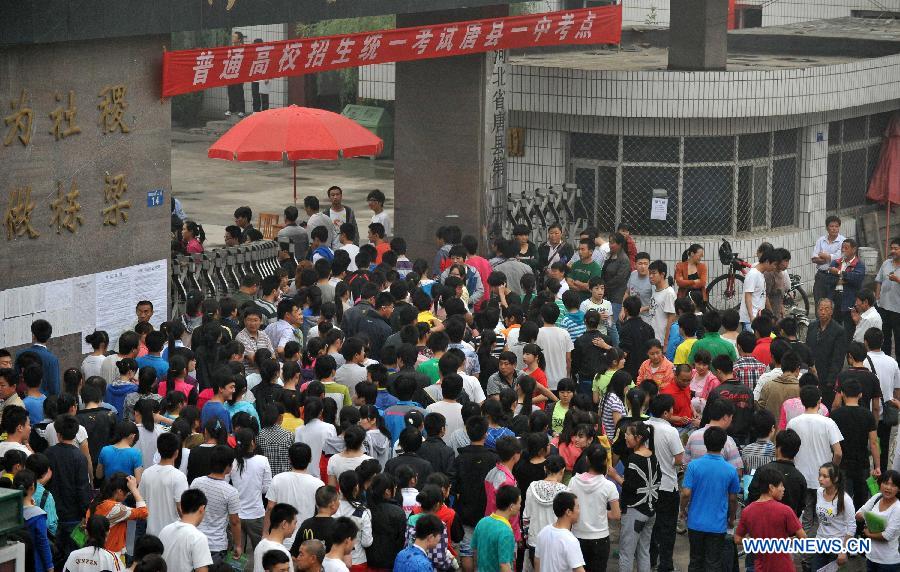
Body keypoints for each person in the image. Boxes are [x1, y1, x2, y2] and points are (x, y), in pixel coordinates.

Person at [680, 426, 740, 571]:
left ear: (706, 443)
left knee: (695, 560)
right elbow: (733, 499)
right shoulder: (730, 470)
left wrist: (683, 510)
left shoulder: (693, 466)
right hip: (717, 525)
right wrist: (732, 518)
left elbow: (686, 493)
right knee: (713, 563)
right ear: (723, 443)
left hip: (695, 523)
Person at [786, 385, 844, 537]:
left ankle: (806, 554)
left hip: (800, 477)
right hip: (824, 479)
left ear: (802, 401)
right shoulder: (828, 423)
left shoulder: (793, 423)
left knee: (805, 516)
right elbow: (838, 452)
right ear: (819, 401)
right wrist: (832, 471)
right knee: (822, 517)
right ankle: (816, 551)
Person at [734, 465, 806, 571]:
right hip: (784, 567)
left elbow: (737, 539)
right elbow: (803, 538)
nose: (783, 489)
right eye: (781, 485)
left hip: (761, 567)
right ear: (771, 487)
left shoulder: (747, 511)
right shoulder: (785, 510)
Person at [451, 415, 499, 571]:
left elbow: (453, 484)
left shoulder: (460, 459)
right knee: (487, 550)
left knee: (466, 550)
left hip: (465, 510)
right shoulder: (494, 458)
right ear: (486, 433)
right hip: (489, 512)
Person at [646, 395, 685, 572]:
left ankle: (650, 559)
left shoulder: (644, 426)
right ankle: (666, 564)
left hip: (648, 485)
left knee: (651, 527)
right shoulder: (670, 431)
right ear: (665, 413)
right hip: (667, 485)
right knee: (667, 527)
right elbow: (678, 459)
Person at [614, 422, 659, 572]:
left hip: (635, 511)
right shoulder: (653, 456)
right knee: (644, 551)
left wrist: (615, 475)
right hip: (650, 511)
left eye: (628, 434)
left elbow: (630, 487)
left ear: (638, 437)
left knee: (626, 553)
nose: (625, 437)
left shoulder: (633, 460)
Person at [46, 414, 92, 556]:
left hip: (53, 513)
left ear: (58, 434)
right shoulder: (79, 457)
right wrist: (86, 512)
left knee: (55, 554)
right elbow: (83, 488)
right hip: (75, 516)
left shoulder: (48, 454)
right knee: (75, 554)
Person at [190, 445, 243, 564]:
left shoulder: (196, 482)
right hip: (217, 546)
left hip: (194, 540)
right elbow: (234, 522)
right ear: (228, 467)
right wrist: (238, 545)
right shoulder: (231, 492)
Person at [159, 489, 214, 572]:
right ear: (202, 509)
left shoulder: (165, 530)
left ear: (181, 506)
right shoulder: (198, 538)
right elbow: (202, 570)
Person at [532, 491, 585, 572]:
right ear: (568, 512)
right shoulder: (570, 540)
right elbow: (579, 570)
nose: (579, 511)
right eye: (577, 507)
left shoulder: (543, 532)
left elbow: (537, 562)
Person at [471, 484, 520, 572]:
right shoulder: (506, 532)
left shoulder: (482, 522)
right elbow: (504, 565)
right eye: (519, 503)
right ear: (511, 507)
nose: (520, 506)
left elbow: (475, 550)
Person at [294, 485, 340, 555]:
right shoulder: (339, 526)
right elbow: (347, 560)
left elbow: (295, 553)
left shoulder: (306, 524)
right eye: (338, 500)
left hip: (308, 565)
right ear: (332, 504)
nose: (339, 503)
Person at [758, 351, 801, 419]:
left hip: (772, 428)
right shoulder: (802, 389)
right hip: (794, 429)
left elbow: (760, 409)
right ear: (797, 369)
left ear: (782, 367)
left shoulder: (768, 386)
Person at [619, 296, 655, 379]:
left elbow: (624, 352)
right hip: (646, 370)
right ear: (639, 309)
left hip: (630, 371)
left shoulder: (625, 328)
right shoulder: (648, 328)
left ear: (625, 311)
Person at [739, 250, 776, 330]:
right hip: (750, 320)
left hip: (757, 318)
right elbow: (748, 295)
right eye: (774, 264)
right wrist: (751, 317)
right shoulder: (753, 274)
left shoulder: (760, 274)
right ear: (767, 261)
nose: (775, 267)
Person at [255, 503, 298, 572]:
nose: (295, 527)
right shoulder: (283, 553)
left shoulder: (260, 545)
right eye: (294, 523)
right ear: (284, 524)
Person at [646, 260, 676, 347]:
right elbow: (656, 307)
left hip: (661, 341)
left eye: (654, 273)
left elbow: (671, 318)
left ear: (662, 274)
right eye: (650, 273)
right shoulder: (656, 290)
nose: (650, 276)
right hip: (652, 338)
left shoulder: (669, 293)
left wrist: (666, 343)